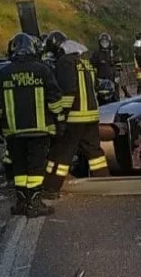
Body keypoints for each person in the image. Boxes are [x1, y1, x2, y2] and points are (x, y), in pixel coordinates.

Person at [0, 32, 65, 217]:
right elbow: (54, 99)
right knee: (36, 167)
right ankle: (35, 203)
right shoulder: (43, 70)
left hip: (14, 132)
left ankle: (22, 203)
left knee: (20, 168)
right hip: (39, 130)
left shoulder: (3, 73)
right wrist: (60, 121)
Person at [42, 31, 111, 199]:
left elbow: (68, 92)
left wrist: (60, 116)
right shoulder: (85, 63)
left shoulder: (64, 63)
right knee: (94, 153)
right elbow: (94, 87)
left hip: (74, 117)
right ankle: (106, 184)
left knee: (61, 153)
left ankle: (51, 189)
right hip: (92, 116)